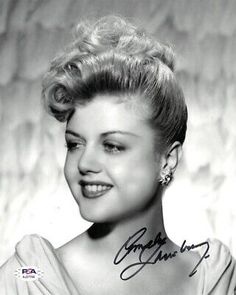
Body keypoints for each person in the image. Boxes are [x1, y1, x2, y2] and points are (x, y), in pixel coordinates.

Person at [0, 15, 235, 295]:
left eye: (112, 146)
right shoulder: (28, 276)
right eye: (74, 144)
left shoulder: (212, 277)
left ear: (168, 160)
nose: (84, 164)